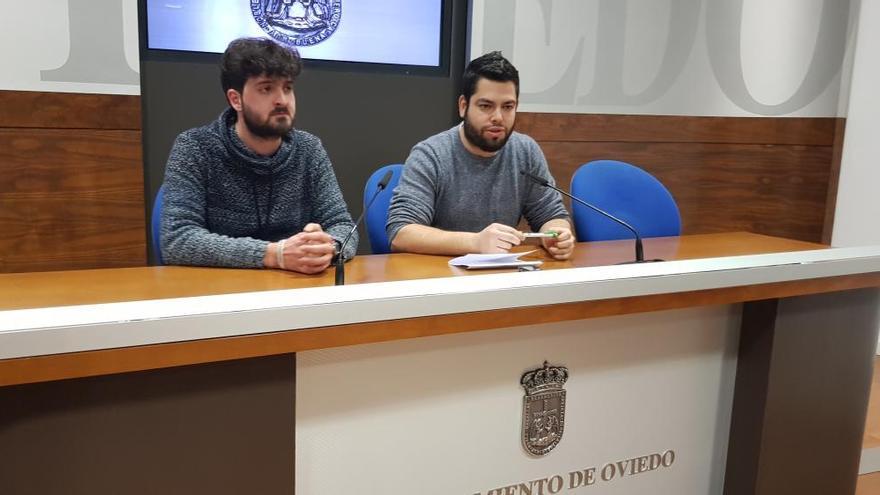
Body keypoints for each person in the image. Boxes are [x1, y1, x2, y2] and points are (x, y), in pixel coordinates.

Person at [161, 37, 356, 274]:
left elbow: (343, 225)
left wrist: (329, 247)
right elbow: (177, 240)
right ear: (236, 99)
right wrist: (274, 254)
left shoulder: (309, 149)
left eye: (287, 88)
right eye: (266, 88)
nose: (282, 100)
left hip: (296, 289)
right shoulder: (195, 148)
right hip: (221, 291)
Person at [386, 51, 574, 259]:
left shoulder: (525, 151)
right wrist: (475, 242)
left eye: (507, 107)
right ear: (463, 106)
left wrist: (557, 234)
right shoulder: (431, 154)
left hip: (502, 276)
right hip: (440, 276)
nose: (498, 117)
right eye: (486, 106)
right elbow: (401, 233)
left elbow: (551, 214)